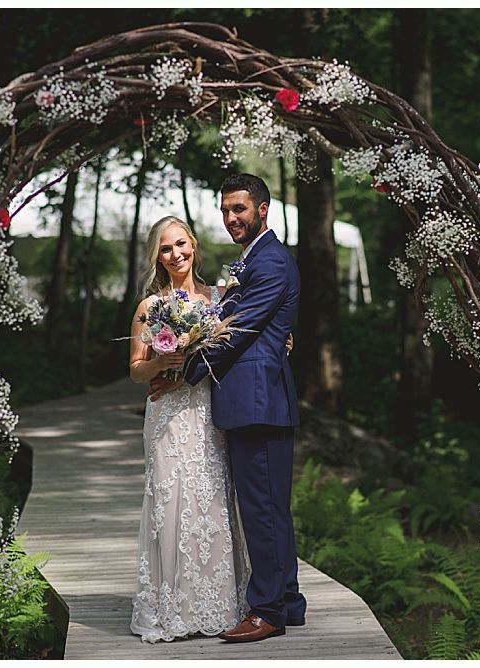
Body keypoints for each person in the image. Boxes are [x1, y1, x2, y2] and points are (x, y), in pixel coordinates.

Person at [151, 173, 306, 643]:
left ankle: (267, 612)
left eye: (239, 208)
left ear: (263, 209)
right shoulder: (251, 261)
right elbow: (229, 319)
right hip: (254, 399)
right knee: (271, 506)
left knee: (261, 508)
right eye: (224, 210)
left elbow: (238, 332)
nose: (230, 217)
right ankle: (288, 601)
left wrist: (185, 373)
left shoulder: (272, 263)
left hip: (257, 402)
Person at [128, 216, 250, 643]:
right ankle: (171, 606)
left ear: (194, 245)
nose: (175, 253)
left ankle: (217, 604)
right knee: (170, 499)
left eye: (181, 244)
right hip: (166, 416)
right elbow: (136, 371)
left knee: (211, 500)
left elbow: (241, 341)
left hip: (206, 412)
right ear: (157, 257)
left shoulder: (219, 298)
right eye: (165, 248)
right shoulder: (150, 307)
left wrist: (284, 339)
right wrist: (161, 363)